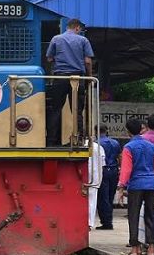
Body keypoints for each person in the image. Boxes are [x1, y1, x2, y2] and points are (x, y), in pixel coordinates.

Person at [45, 18, 94, 146]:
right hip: (77, 78)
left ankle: (51, 141)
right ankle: (78, 139)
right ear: (77, 27)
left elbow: (49, 58)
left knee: (56, 109)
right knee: (77, 110)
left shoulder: (56, 39)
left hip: (60, 78)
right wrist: (88, 77)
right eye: (80, 29)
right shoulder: (83, 40)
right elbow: (88, 61)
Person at [117, 118, 154, 255]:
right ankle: (151, 248)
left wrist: (121, 186)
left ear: (128, 131)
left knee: (134, 215)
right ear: (142, 129)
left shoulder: (129, 147)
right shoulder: (152, 147)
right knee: (150, 216)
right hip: (151, 184)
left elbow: (126, 169)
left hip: (136, 184)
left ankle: (135, 248)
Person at [96, 124, 122, 229]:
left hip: (103, 170)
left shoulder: (96, 143)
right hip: (114, 171)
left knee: (103, 197)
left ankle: (106, 222)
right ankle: (108, 220)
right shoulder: (115, 142)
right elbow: (119, 157)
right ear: (106, 130)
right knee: (110, 196)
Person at [88, 138, 105, 229]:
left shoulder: (80, 146)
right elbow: (102, 164)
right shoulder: (98, 147)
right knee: (92, 202)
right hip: (94, 178)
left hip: (83, 177)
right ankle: (89, 223)